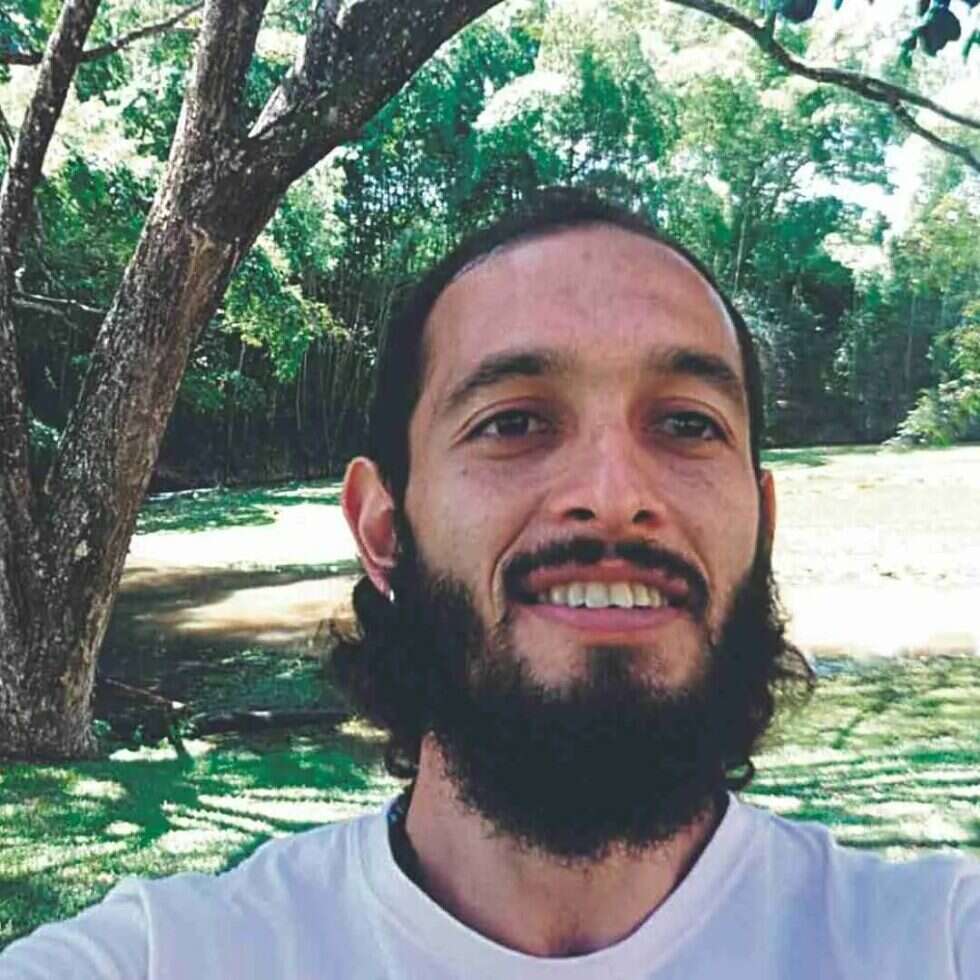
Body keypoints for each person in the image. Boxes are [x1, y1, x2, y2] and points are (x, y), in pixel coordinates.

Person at [2, 189, 977, 978]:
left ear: (761, 521)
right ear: (384, 528)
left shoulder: (931, 938)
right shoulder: (172, 956)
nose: (614, 496)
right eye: (513, 422)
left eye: (687, 423)